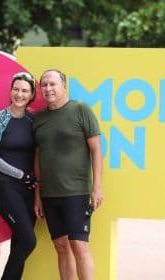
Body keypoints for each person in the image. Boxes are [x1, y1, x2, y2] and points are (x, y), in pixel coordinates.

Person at [33, 69, 103, 280]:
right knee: (61, 246)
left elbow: (96, 150)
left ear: (64, 87)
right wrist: (38, 194)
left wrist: (97, 186)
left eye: (53, 84)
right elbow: (37, 157)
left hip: (77, 191)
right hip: (49, 194)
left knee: (79, 246)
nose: (48, 89)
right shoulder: (38, 119)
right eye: (44, 85)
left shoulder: (80, 109)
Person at [0, 72, 38, 280]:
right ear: (10, 91)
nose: (19, 94)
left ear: (31, 94)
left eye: (24, 90)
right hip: (6, 187)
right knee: (28, 241)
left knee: (19, 243)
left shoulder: (33, 120)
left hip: (30, 191)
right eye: (15, 89)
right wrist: (21, 175)